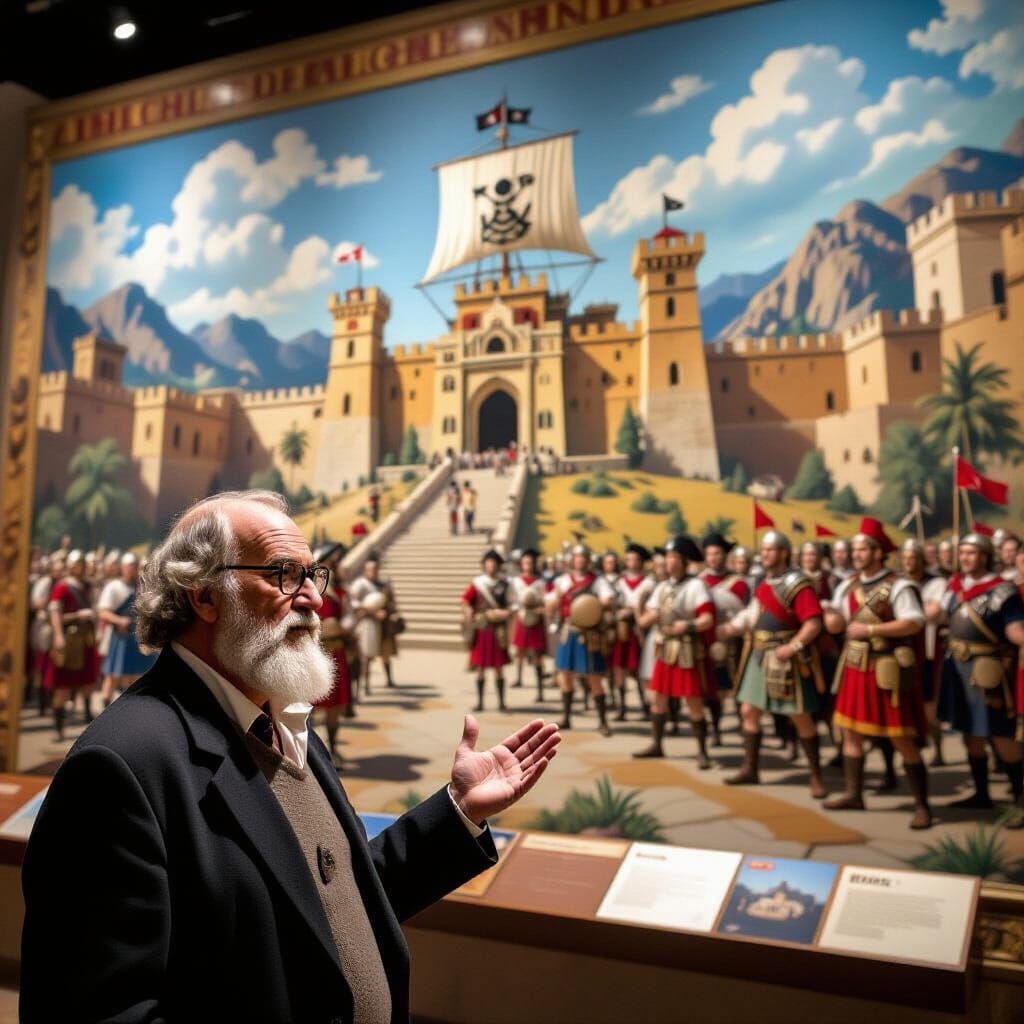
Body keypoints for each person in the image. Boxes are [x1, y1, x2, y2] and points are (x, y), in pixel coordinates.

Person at [20, 489, 560, 1022]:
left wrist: (459, 811)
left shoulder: (282, 720)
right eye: (282, 574)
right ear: (203, 597)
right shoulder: (120, 767)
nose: (313, 599)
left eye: (312, 575)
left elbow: (330, 902)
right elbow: (100, 1010)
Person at [823, 518, 932, 830]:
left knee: (901, 738)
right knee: (850, 733)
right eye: (855, 549)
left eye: (862, 549)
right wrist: (832, 620)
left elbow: (914, 622)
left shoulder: (899, 585)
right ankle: (853, 793)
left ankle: (922, 806)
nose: (856, 554)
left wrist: (871, 628)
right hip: (855, 666)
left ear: (877, 551)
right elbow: (841, 624)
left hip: (887, 671)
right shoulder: (848, 585)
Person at [718, 531, 827, 798]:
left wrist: (793, 647)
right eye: (763, 550)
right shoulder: (763, 581)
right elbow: (754, 613)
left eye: (770, 550)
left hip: (784, 658)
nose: (764, 554)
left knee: (799, 717)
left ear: (784, 552)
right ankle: (750, 769)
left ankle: (816, 776)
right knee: (748, 712)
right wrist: (734, 626)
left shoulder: (798, 583)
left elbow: (813, 623)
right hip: (758, 654)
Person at [935, 532, 1024, 825]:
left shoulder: (1002, 592)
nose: (965, 558)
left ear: (985, 556)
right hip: (957, 668)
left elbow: (1014, 629)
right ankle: (981, 794)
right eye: (963, 553)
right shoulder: (955, 588)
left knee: (1000, 735)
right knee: (970, 734)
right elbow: (941, 617)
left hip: (987, 671)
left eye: (971, 553)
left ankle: (1021, 799)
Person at [634, 535, 716, 766]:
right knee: (657, 700)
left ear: (682, 560)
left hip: (687, 650)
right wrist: (641, 611)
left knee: (694, 703)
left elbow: (708, 619)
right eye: (667, 557)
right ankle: (657, 745)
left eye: (672, 557)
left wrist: (687, 625)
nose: (668, 562)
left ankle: (702, 752)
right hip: (665, 649)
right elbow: (647, 619)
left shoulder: (696, 586)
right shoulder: (662, 586)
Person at [547, 543, 616, 736]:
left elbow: (608, 600)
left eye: (584, 557)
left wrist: (600, 602)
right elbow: (550, 607)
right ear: (573, 560)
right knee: (566, 676)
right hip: (569, 631)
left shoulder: (598, 581)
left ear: (588, 560)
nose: (580, 560)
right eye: (578, 557)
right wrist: (558, 596)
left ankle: (603, 721)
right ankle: (566, 717)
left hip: (589, 634)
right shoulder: (562, 580)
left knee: (595, 678)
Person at [699, 532, 750, 746]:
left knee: (739, 688)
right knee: (712, 690)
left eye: (717, 553)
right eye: (709, 554)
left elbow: (746, 612)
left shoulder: (739, 583)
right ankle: (715, 729)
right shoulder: (698, 582)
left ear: (725, 556)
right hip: (707, 643)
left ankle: (745, 728)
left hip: (734, 642)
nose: (713, 558)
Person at [45, 549, 99, 739]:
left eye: (82, 564)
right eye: (78, 564)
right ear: (71, 566)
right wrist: (59, 635)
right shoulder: (62, 587)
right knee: (62, 688)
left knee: (87, 684)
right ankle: (59, 729)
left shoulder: (87, 585)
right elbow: (54, 613)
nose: (81, 568)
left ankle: (87, 722)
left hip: (85, 640)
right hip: (68, 641)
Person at [313, 542, 356, 768]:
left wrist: (345, 625)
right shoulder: (314, 590)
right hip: (316, 652)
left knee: (334, 708)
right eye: (332, 561)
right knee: (311, 704)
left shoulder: (339, 591)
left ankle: (332, 749)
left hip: (336, 650)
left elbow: (347, 617)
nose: (336, 565)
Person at [97, 552, 156, 710]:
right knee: (113, 676)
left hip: (137, 636)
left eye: (134, 567)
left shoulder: (142, 587)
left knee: (137, 675)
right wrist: (119, 620)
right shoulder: (114, 587)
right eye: (129, 567)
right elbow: (103, 611)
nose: (132, 569)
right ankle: (105, 709)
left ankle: (132, 710)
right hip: (119, 637)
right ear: (123, 568)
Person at [461, 550, 512, 711]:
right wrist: (468, 610)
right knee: (480, 668)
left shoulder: (504, 584)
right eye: (489, 563)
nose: (491, 566)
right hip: (482, 629)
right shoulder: (477, 583)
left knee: (498, 668)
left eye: (494, 563)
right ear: (485, 565)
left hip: (498, 630)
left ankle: (501, 702)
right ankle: (480, 702)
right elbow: (465, 600)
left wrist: (507, 612)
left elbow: (512, 604)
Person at [610, 543, 654, 722]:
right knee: (619, 668)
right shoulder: (618, 582)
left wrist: (633, 611)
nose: (632, 563)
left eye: (635, 559)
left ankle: (645, 705)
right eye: (629, 559)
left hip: (640, 631)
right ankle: (622, 707)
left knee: (638, 670)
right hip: (621, 630)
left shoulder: (649, 582)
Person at [349, 553, 398, 695]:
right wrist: (371, 611)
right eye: (371, 570)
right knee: (365, 656)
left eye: (376, 569)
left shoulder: (381, 585)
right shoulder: (360, 585)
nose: (374, 572)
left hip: (379, 624)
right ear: (366, 571)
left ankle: (371, 684)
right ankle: (362, 687)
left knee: (377, 655)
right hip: (365, 623)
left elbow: (388, 603)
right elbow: (354, 603)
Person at [509, 548, 548, 700]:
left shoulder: (540, 582)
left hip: (535, 619)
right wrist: (515, 609)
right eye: (525, 562)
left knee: (537, 655)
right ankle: (519, 678)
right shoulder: (516, 581)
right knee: (519, 651)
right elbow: (512, 599)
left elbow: (545, 599)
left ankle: (540, 690)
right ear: (521, 564)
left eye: (530, 563)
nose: (528, 565)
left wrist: (541, 608)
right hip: (521, 617)